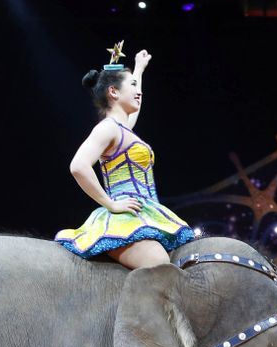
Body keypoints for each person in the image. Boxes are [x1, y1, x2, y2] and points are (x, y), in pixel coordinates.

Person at [54, 41, 197, 267]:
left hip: (144, 211)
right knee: (160, 264)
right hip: (123, 217)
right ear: (113, 91)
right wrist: (110, 203)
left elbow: (136, 106)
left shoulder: (123, 129)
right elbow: (78, 166)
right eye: (132, 86)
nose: (138, 92)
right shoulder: (108, 127)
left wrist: (138, 70)